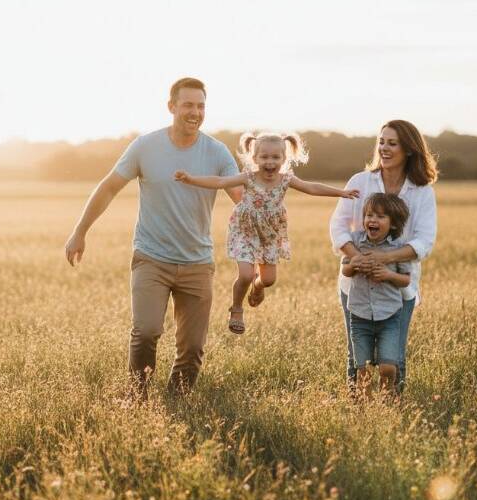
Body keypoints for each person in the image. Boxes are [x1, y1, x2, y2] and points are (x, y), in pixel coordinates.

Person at [64, 77, 242, 399]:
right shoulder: (145, 147)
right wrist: (80, 231)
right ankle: (138, 397)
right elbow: (109, 187)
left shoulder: (216, 152)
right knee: (146, 331)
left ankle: (176, 402)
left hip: (197, 263)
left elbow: (241, 198)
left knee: (192, 348)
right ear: (171, 106)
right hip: (151, 258)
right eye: (188, 105)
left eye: (201, 106)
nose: (195, 112)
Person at [174, 132, 359, 334]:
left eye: (275, 157)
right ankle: (236, 309)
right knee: (245, 274)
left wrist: (341, 192)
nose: (270, 162)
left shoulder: (286, 180)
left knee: (269, 280)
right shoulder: (248, 178)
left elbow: (312, 188)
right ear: (254, 158)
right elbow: (219, 182)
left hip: (270, 235)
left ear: (284, 159)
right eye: (264, 157)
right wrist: (191, 179)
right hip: (245, 231)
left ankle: (258, 286)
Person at [329, 120, 438, 393]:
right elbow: (338, 226)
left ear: (409, 149)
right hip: (356, 285)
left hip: (399, 287)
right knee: (358, 357)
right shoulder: (360, 181)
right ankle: (359, 409)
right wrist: (359, 258)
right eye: (381, 142)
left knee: (394, 357)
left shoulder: (422, 191)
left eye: (392, 143)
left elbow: (424, 241)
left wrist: (384, 258)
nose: (384, 148)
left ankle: (393, 410)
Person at [341, 193, 411, 398]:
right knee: (363, 369)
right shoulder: (355, 241)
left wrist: (388, 275)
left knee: (388, 366)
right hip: (359, 315)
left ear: (393, 224)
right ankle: (365, 407)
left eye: (381, 216)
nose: (373, 220)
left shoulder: (399, 248)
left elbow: (406, 280)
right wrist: (354, 264)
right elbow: (345, 270)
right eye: (369, 215)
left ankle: (387, 399)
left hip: (389, 316)